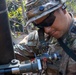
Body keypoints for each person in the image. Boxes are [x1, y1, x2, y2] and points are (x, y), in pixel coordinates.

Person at [24, 0, 76, 75]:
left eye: (49, 21)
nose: (47, 30)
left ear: (62, 8)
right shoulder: (40, 37)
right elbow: (11, 54)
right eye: (40, 26)